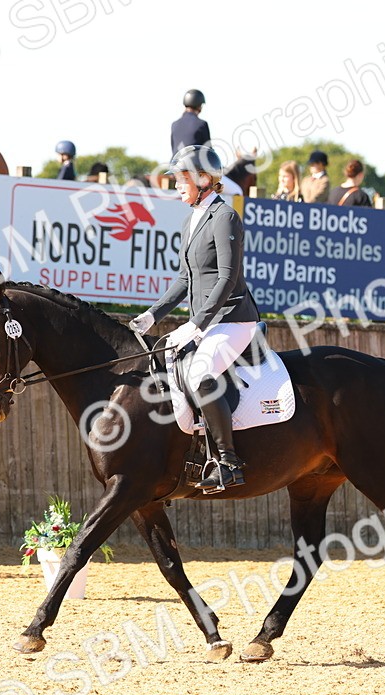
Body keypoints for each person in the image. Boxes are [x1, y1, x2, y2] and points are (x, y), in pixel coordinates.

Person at [129, 145, 261, 492]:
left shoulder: (225, 217)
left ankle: (229, 463)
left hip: (233, 320)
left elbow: (226, 278)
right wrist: (152, 315)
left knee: (202, 375)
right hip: (206, 321)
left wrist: (196, 324)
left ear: (204, 179)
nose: (176, 186)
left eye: (181, 179)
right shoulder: (191, 220)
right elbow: (185, 280)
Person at [170, 89, 211, 157]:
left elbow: (174, 150)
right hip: (194, 166)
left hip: (176, 166)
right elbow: (208, 151)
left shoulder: (174, 124)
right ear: (199, 105)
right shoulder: (202, 124)